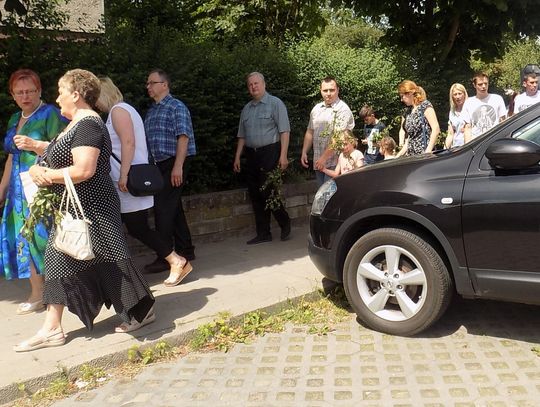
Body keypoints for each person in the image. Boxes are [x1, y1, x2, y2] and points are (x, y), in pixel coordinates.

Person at [13, 69, 155, 352]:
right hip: (75, 208)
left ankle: (142, 310)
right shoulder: (76, 124)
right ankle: (52, 328)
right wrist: (38, 148)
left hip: (94, 207)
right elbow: (62, 151)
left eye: (61, 92)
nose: (57, 98)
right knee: (58, 260)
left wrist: (46, 175)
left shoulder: (89, 124)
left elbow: (84, 169)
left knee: (113, 260)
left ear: (76, 94)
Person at [96, 77, 191, 287]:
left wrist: (123, 174)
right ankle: (120, 276)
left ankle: (176, 260)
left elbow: (128, 142)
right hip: (126, 181)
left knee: (137, 227)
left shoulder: (118, 111)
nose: (95, 103)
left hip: (127, 182)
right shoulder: (122, 110)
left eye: (96, 96)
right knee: (129, 227)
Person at [0, 69, 67, 316]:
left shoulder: (51, 114)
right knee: (24, 239)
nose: (25, 96)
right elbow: (11, 157)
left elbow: (64, 149)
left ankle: (61, 292)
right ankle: (38, 293)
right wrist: (2, 189)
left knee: (45, 239)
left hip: (43, 188)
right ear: (12, 95)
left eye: (30, 91)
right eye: (19, 92)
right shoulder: (14, 118)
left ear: (39, 91)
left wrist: (35, 145)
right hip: (18, 192)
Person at [143, 69, 196, 274]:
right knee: (173, 207)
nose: (148, 86)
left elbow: (183, 137)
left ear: (164, 85)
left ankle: (164, 257)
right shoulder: (152, 110)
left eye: (152, 83)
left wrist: (178, 166)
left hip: (175, 161)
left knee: (162, 208)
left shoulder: (176, 106)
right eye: (147, 83)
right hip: (159, 165)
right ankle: (186, 249)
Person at [234, 72, 291, 245]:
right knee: (255, 193)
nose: (253, 87)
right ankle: (263, 233)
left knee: (268, 191)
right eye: (250, 84)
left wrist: (283, 156)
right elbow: (242, 136)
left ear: (264, 84)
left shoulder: (275, 103)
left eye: (256, 83)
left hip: (270, 152)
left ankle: (285, 222)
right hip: (251, 154)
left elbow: (284, 131)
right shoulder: (246, 109)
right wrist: (237, 157)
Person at [301, 77, 355, 186]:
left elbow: (338, 138)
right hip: (318, 162)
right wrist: (304, 151)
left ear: (338, 90)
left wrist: (323, 159)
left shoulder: (343, 109)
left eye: (332, 90)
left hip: (337, 163)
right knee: (322, 194)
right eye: (325, 90)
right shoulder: (316, 109)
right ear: (320, 91)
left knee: (331, 194)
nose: (328, 93)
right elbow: (310, 131)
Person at [396, 80, 440, 157]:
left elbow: (436, 128)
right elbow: (410, 138)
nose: (401, 100)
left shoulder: (425, 106)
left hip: (424, 154)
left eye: (402, 96)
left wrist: (428, 151)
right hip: (412, 156)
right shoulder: (408, 112)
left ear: (409, 93)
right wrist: (398, 156)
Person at [462, 72, 506, 143]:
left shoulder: (497, 99)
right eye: (480, 84)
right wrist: (467, 146)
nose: (483, 86)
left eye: (486, 83)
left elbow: (503, 122)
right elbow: (468, 127)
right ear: (474, 85)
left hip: (495, 141)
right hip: (477, 143)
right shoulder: (468, 103)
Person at [444, 83, 468, 149]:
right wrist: (444, 149)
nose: (457, 97)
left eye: (460, 93)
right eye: (455, 94)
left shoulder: (470, 109)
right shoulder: (452, 112)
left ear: (464, 94)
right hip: (456, 148)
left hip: (468, 147)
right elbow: (450, 134)